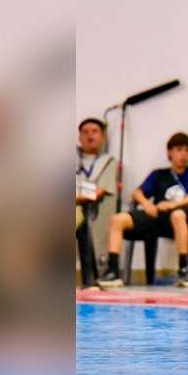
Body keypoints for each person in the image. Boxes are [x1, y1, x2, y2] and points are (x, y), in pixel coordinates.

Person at [98, 132, 188, 288]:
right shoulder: (159, 174)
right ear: (170, 152)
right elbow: (136, 193)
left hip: (181, 218)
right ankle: (113, 271)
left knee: (177, 215)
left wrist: (174, 205)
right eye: (178, 149)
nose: (183, 154)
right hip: (157, 216)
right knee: (118, 219)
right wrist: (146, 204)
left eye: (186, 150)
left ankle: (184, 270)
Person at [76, 117, 116, 288]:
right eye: (85, 132)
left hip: (92, 213)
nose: (90, 136)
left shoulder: (108, 161)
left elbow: (97, 193)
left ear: (102, 136)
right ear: (79, 137)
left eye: (94, 132)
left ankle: (91, 277)